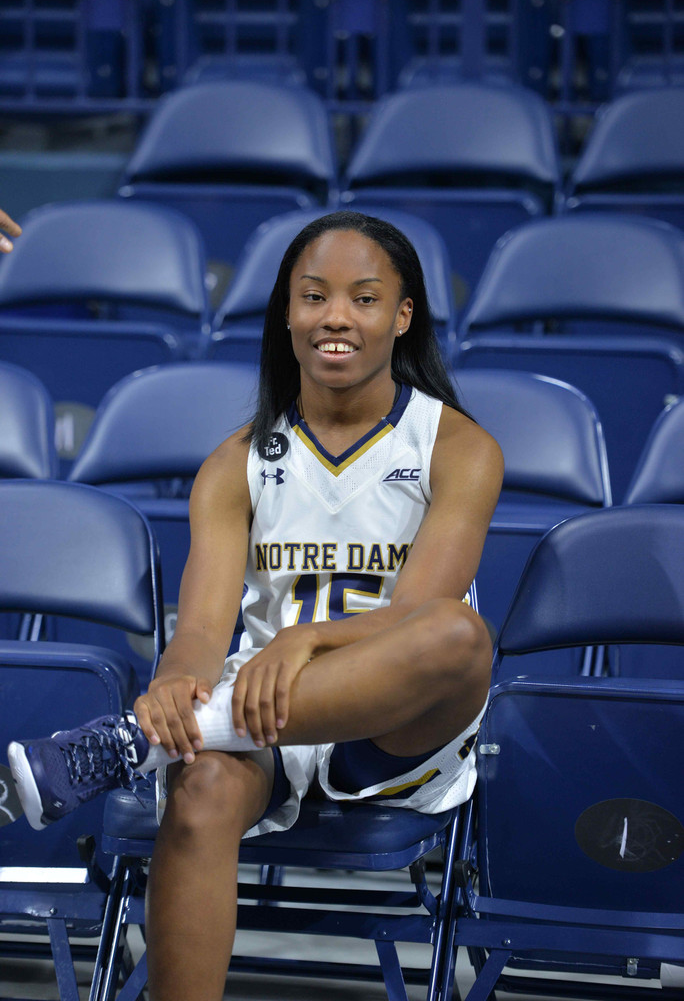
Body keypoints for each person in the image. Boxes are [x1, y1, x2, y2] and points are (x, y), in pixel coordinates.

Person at [8, 211, 503, 1001]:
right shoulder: (235, 461)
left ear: (401, 316)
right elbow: (202, 630)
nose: (336, 316)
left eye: (364, 298)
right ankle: (162, 734)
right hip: (262, 711)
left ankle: (130, 743)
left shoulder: (456, 446)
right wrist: (175, 682)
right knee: (200, 793)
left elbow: (418, 614)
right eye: (314, 296)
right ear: (286, 312)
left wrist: (307, 642)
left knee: (460, 635)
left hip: (391, 725)